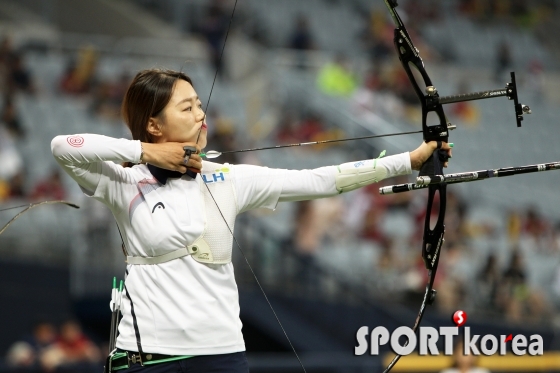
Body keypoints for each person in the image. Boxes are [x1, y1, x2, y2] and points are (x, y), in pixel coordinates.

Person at [51, 68, 451, 372]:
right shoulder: (121, 180)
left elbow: (322, 180)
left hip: (222, 355)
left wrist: (409, 160)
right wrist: (146, 153)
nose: (201, 114)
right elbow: (63, 147)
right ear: (154, 124)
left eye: (200, 105)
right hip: (147, 355)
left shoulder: (228, 178)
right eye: (186, 108)